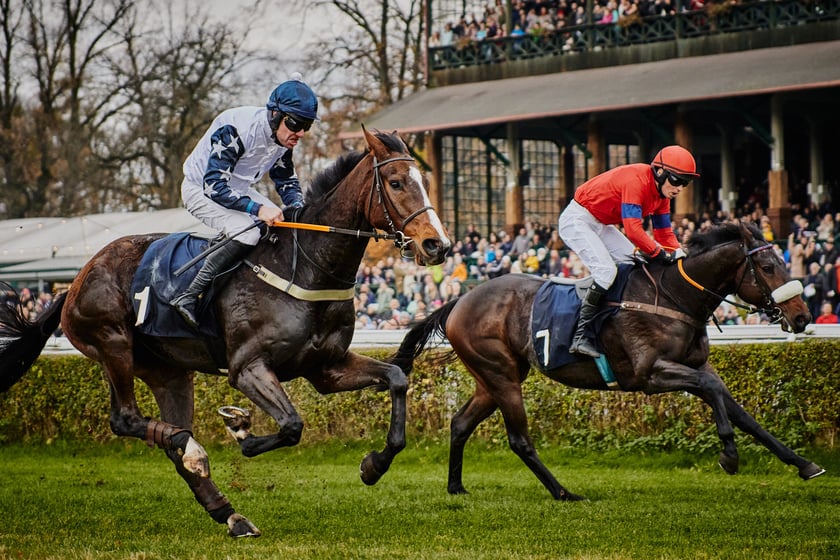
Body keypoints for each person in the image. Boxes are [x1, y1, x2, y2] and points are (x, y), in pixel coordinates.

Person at [170, 74, 319, 329]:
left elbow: (284, 178)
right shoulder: (236, 129)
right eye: (296, 124)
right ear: (274, 114)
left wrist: (299, 210)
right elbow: (214, 186)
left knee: (282, 222)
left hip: (238, 188)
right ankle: (188, 294)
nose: (301, 133)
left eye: (307, 125)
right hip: (200, 189)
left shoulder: (284, 137)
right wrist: (258, 209)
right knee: (248, 234)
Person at [557, 145, 699, 357]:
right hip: (577, 219)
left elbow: (664, 235)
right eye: (677, 180)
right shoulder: (637, 181)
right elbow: (633, 230)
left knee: (638, 263)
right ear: (659, 172)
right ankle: (580, 335)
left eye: (685, 183)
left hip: (601, 223)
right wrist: (660, 254)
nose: (680, 188)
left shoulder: (663, 197)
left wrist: (679, 257)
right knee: (606, 272)